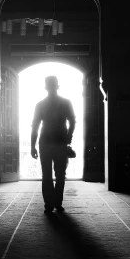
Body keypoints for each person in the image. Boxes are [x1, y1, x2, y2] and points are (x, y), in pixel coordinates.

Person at [31, 75, 76, 213]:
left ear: (46, 87)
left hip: (45, 142)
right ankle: (57, 202)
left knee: (47, 175)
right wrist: (69, 136)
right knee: (60, 174)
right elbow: (73, 121)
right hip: (60, 142)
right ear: (58, 86)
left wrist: (32, 146)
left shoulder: (40, 105)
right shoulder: (66, 103)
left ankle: (49, 204)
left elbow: (35, 126)